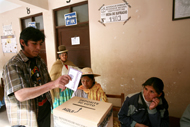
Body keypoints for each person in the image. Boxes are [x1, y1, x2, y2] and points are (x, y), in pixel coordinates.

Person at [2, 27, 71, 127]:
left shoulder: (39, 60)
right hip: (26, 118)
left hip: (44, 111)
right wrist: (53, 84)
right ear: (23, 42)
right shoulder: (13, 65)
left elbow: (47, 82)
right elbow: (21, 95)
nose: (39, 47)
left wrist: (59, 84)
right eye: (34, 43)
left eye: (40, 44)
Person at [50, 45, 79, 109]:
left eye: (65, 55)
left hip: (69, 88)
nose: (64, 56)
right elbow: (52, 76)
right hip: (61, 89)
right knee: (62, 104)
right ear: (59, 56)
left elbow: (77, 70)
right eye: (62, 55)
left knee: (69, 104)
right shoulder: (56, 65)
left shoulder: (69, 63)